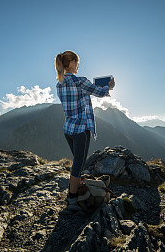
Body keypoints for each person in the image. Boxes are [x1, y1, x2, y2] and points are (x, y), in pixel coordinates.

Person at [55, 50, 115, 212]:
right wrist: (108, 86)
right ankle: (72, 200)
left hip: (68, 129)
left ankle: (78, 185)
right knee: (78, 164)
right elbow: (100, 92)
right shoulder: (79, 81)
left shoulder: (59, 84)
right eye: (78, 63)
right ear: (73, 62)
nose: (78, 66)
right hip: (81, 130)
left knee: (77, 161)